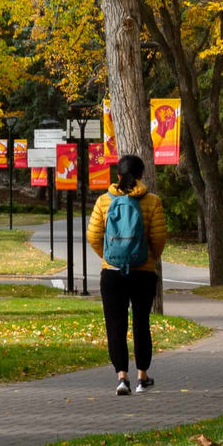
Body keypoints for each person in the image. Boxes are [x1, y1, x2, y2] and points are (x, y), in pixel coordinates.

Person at [87, 154, 166, 395]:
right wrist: (149, 257)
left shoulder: (103, 201)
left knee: (116, 324)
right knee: (142, 322)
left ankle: (122, 378)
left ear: (118, 176)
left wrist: (109, 257)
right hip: (143, 272)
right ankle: (143, 377)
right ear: (142, 175)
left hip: (112, 274)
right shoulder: (152, 201)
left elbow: (93, 236)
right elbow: (159, 237)